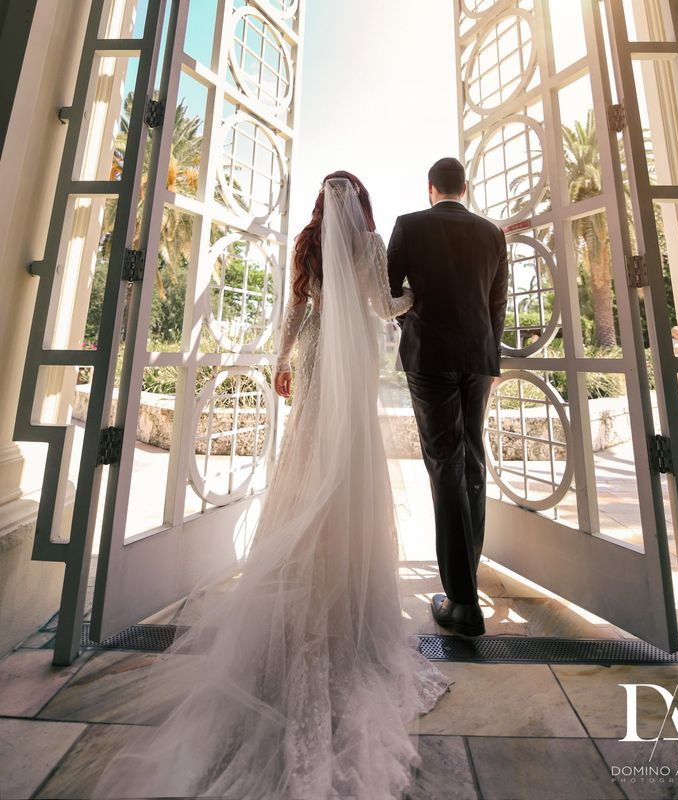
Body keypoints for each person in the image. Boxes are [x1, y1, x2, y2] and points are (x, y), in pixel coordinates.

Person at [93, 171, 449, 800]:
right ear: (362, 203)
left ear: (320, 203)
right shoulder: (368, 244)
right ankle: (343, 573)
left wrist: (282, 360)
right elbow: (379, 307)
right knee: (347, 462)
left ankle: (298, 557)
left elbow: (297, 309)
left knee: (307, 455)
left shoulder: (308, 241)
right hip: (352, 360)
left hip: (313, 354)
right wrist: (415, 298)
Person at [387, 157, 508, 638]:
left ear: (430, 187)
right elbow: (497, 304)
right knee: (472, 461)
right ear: (465, 187)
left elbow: (388, 293)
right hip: (478, 358)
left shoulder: (409, 226)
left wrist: (413, 322)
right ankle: (466, 582)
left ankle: (462, 602)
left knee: (445, 463)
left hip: (429, 357)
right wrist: (488, 357)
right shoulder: (492, 233)